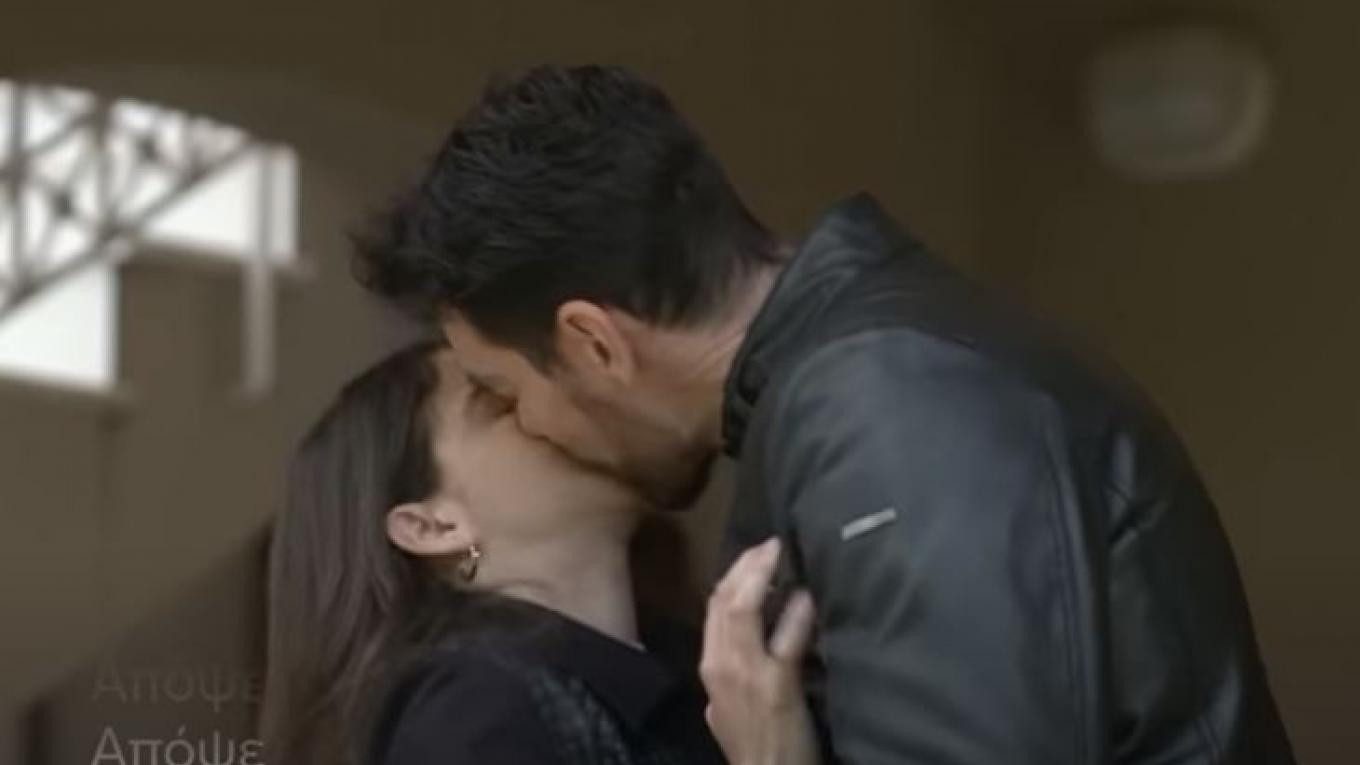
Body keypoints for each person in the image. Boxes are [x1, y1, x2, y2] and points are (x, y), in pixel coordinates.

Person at [354, 65, 1296, 763]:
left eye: (510, 391)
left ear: (595, 343)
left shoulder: (890, 407)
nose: (535, 428)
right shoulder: (873, 386)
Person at [260, 341, 743, 765]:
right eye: (501, 397)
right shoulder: (474, 713)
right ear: (433, 526)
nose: (556, 401)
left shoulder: (701, 667)